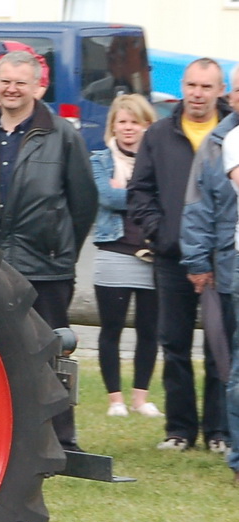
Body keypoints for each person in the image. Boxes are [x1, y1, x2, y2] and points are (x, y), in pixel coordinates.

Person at [0, 52, 96, 448]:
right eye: (4, 81)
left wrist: (59, 247)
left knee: (50, 353)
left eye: (20, 82)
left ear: (37, 87)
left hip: (46, 264)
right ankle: (5, 438)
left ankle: (61, 440)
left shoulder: (61, 134)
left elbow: (83, 201)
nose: (11, 89)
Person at [129, 58, 231, 454]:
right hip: (172, 258)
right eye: (191, 85)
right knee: (173, 344)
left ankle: (219, 431)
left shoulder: (229, 135)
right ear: (182, 87)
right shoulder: (158, 134)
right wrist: (160, 232)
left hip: (222, 258)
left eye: (206, 87)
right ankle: (180, 430)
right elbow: (141, 191)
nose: (198, 94)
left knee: (220, 346)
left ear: (220, 90)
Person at [90, 94, 163, 420]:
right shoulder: (99, 160)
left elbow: (162, 200)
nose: (128, 128)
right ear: (113, 126)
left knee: (150, 330)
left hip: (152, 256)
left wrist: (129, 190)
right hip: (113, 253)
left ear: (147, 125)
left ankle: (140, 398)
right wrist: (142, 193)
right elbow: (106, 196)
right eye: (122, 122)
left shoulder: (159, 160)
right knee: (112, 329)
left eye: (135, 122)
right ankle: (115, 399)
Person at [181, 66, 239, 461]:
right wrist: (200, 260)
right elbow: (198, 207)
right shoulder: (223, 142)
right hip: (228, 264)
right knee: (227, 358)